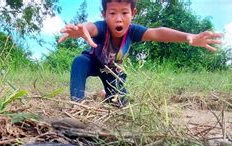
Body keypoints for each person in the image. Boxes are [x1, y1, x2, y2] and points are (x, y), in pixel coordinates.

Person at [58, 0, 222, 107]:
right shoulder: (102, 27)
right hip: (94, 62)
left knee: (120, 104)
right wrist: (82, 29)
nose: (118, 19)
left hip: (113, 72)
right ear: (104, 15)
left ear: (133, 13)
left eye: (124, 12)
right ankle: (77, 105)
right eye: (112, 13)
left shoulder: (133, 31)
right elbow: (91, 27)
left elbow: (157, 33)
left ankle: (105, 94)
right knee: (79, 61)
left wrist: (189, 37)